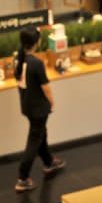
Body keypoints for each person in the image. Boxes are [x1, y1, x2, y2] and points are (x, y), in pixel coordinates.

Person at [14, 27, 65, 193]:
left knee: (40, 133)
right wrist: (52, 103)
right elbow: (46, 88)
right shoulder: (36, 63)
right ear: (37, 43)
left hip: (27, 105)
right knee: (35, 139)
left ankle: (49, 161)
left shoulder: (19, 59)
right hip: (38, 108)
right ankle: (22, 178)